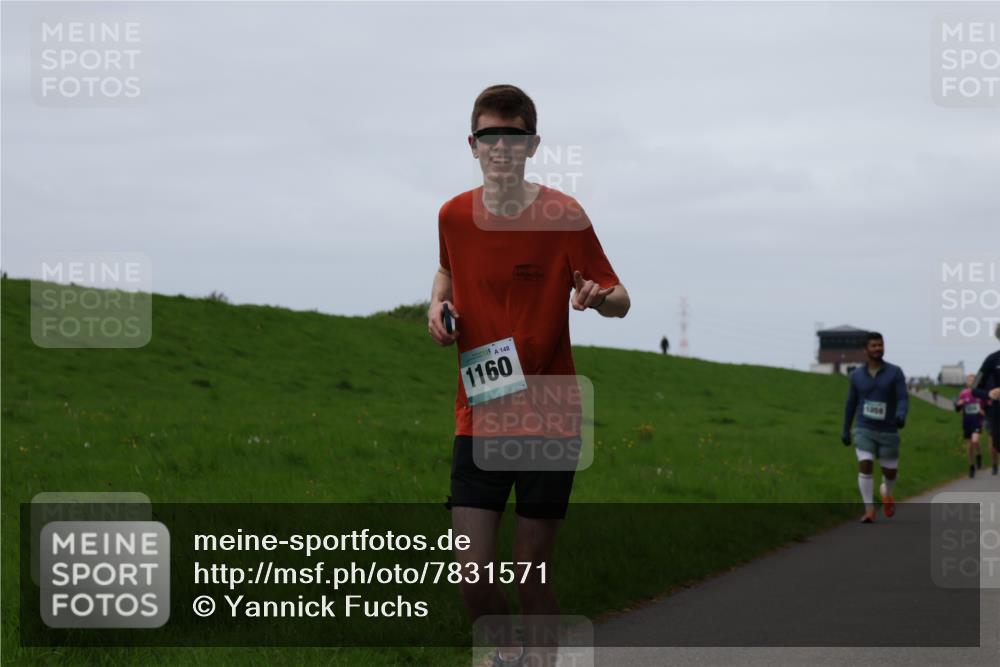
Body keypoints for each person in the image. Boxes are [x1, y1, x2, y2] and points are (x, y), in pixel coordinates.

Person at [427, 84, 630, 666]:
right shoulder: (453, 215)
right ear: (472, 144)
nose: (501, 147)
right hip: (479, 412)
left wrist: (599, 298)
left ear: (533, 145)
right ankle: (509, 654)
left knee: (531, 575)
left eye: (513, 137)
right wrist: (436, 305)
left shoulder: (563, 216)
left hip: (549, 414)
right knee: (471, 576)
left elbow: (621, 298)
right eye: (489, 135)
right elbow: (446, 271)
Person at [841, 332, 908, 523]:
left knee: (890, 473)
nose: (878, 348)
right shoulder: (856, 375)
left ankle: (886, 492)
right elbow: (851, 403)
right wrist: (846, 429)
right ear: (866, 349)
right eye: (874, 345)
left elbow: (902, 397)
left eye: (880, 345)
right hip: (864, 427)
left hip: (888, 429)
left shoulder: (895, 372)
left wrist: (901, 414)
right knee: (865, 463)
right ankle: (869, 509)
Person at [971, 323, 1000, 476]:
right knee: (996, 443)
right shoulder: (992, 359)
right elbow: (974, 387)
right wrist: (989, 393)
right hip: (997, 414)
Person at [954, 373, 988, 477]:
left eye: (973, 380)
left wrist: (983, 411)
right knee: (969, 445)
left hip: (977, 421)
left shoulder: (981, 393)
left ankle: (979, 455)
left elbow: (987, 408)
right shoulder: (963, 393)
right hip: (967, 421)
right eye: (969, 380)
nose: (971, 382)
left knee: (975, 440)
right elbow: (957, 409)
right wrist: (959, 404)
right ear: (966, 382)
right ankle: (971, 466)